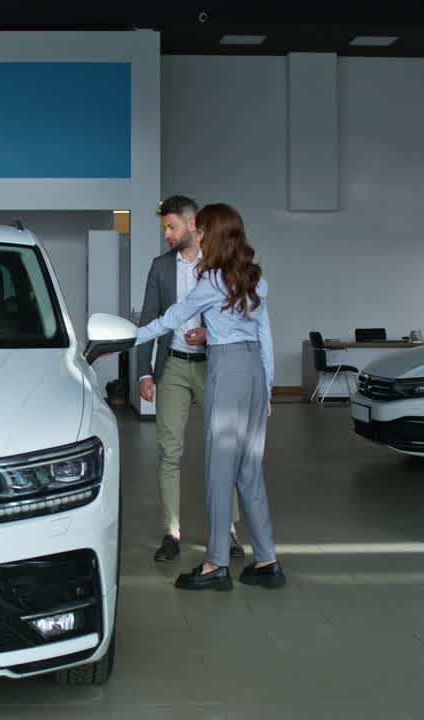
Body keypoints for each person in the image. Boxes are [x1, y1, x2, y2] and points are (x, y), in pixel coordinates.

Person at [131, 203, 284, 591]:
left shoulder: (212, 281)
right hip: (254, 372)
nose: (197, 235)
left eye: (202, 230)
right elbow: (265, 336)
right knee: (249, 471)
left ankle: (215, 564)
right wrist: (267, 389)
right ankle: (267, 560)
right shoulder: (255, 279)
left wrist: (123, 339)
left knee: (219, 468)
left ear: (212, 235)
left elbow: (170, 319)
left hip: (227, 370)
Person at [138, 195, 244, 564]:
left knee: (222, 448)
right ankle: (172, 532)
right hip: (173, 368)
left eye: (171, 227)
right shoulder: (160, 268)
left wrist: (211, 336)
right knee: (170, 452)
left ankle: (228, 530)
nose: (166, 234)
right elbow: (148, 319)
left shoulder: (220, 264)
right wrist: (143, 370)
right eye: (164, 228)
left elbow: (239, 318)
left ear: (192, 225)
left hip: (215, 366)